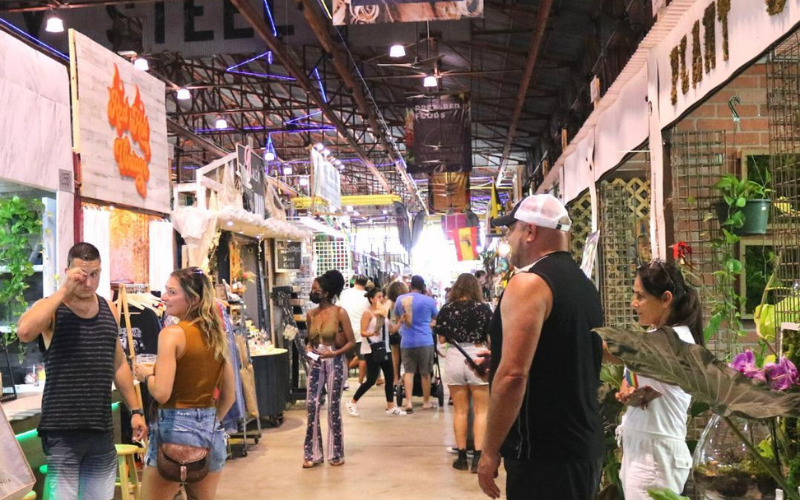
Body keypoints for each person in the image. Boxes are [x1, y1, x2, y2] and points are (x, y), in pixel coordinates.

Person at [479, 195, 605, 500]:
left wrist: (489, 450)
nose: (508, 238)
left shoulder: (529, 283)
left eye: (512, 229)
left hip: (544, 453)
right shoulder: (582, 284)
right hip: (582, 446)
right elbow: (566, 351)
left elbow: (513, 376)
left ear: (530, 232)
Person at [16, 242, 147, 500]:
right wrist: (64, 288)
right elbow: (24, 331)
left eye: (95, 274)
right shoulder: (53, 309)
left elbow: (118, 363)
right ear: (68, 271)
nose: (88, 283)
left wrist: (136, 410)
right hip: (62, 430)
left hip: (100, 428)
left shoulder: (109, 309)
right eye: (81, 275)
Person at [133, 267, 236, 500]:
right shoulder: (216, 335)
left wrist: (146, 376)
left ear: (193, 299)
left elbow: (161, 392)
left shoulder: (172, 334)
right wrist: (207, 421)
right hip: (211, 430)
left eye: (172, 292)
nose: (164, 297)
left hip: (174, 430)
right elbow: (230, 395)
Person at [614, 261, 703, 499]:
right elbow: (629, 374)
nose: (634, 303)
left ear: (665, 299)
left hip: (655, 459)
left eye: (640, 296)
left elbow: (611, 348)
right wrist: (627, 390)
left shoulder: (672, 340)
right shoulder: (653, 338)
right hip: (645, 453)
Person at [436, 273, 492, 473]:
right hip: (477, 355)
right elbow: (490, 337)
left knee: (459, 410)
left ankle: (461, 457)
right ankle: (477, 457)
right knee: (481, 410)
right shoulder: (483, 309)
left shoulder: (446, 309)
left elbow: (442, 340)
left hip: (454, 356)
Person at [303, 270, 356, 468]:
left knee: (333, 407)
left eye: (316, 289)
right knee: (312, 405)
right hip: (316, 361)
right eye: (312, 289)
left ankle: (336, 452)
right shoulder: (311, 314)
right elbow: (310, 339)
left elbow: (351, 342)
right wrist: (309, 348)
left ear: (326, 292)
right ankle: (313, 453)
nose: (313, 292)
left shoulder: (339, 313)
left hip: (334, 361)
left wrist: (334, 353)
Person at [346, 288, 406, 416]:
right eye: (379, 296)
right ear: (372, 299)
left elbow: (392, 330)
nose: (382, 299)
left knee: (389, 378)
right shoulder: (368, 314)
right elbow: (362, 331)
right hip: (371, 349)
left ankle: (391, 406)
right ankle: (352, 402)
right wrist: (371, 333)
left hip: (385, 348)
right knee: (371, 380)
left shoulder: (383, 314)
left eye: (382, 296)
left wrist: (401, 321)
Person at [394, 275, 439, 413]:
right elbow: (436, 318)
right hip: (425, 340)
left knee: (409, 372)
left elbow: (397, 318)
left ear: (410, 285)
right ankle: (426, 402)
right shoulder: (429, 301)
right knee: (425, 372)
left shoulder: (400, 299)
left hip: (407, 340)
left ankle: (408, 402)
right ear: (423, 287)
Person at [339, 275, 370, 384]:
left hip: (346, 330)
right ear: (366, 283)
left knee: (346, 358)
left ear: (355, 281)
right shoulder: (367, 296)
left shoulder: (344, 293)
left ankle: (345, 381)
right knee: (362, 358)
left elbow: (339, 308)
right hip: (362, 331)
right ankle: (360, 382)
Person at [385, 281, 409, 387]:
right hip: (405, 331)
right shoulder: (406, 302)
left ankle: (395, 379)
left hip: (393, 332)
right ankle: (405, 378)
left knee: (395, 358)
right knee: (406, 357)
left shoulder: (389, 303)